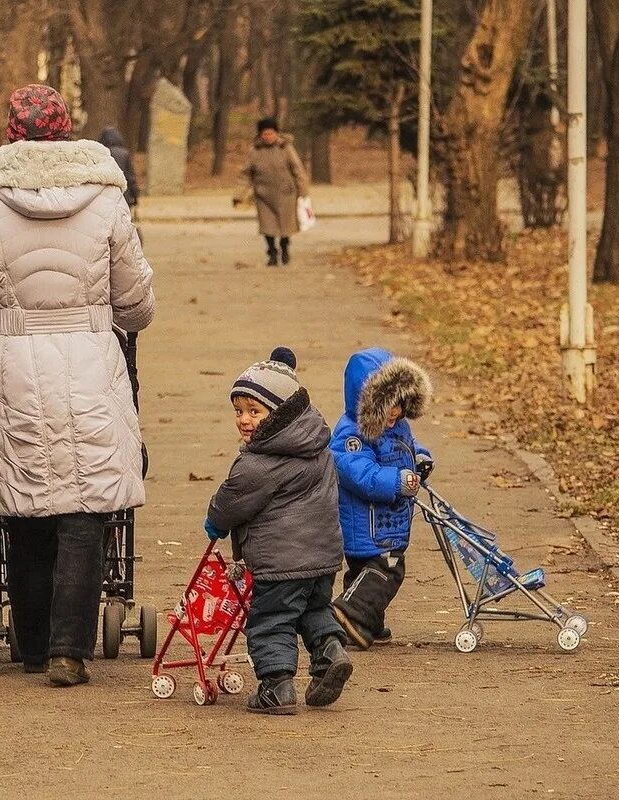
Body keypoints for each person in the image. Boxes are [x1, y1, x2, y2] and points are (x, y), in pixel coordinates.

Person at [0, 84, 155, 687]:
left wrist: (5, 324)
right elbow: (137, 303)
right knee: (85, 507)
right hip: (92, 359)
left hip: (15, 363)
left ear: (10, 135)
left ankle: (33, 645)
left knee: (28, 507)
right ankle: (70, 650)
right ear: (68, 131)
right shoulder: (107, 200)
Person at [204, 356, 352, 715]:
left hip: (280, 562)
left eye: (255, 411)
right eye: (239, 410)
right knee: (313, 608)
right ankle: (330, 651)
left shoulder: (259, 463)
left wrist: (215, 522)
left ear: (281, 413)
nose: (244, 419)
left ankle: (277, 686)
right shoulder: (318, 447)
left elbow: (231, 503)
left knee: (271, 620)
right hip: (323, 558)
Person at [329, 348, 433, 650]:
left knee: (366, 573)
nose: (396, 413)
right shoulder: (351, 433)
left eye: (400, 405)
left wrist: (421, 458)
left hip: (387, 522)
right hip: (366, 524)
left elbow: (408, 447)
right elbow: (357, 471)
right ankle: (348, 612)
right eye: (388, 406)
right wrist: (396, 481)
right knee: (388, 569)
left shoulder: (398, 426)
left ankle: (366, 622)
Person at [233, 118, 308, 267]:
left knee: (286, 226)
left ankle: (285, 248)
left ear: (276, 133)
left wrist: (303, 191)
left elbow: (297, 170)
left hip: (286, 194)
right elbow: (246, 174)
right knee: (267, 227)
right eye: (265, 134)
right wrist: (239, 194)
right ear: (260, 135)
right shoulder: (255, 151)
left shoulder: (285, 148)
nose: (268, 137)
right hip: (263, 195)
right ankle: (272, 252)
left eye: (270, 133)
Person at [99, 126, 139, 215]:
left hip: (106, 195)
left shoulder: (101, 153)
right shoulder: (125, 154)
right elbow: (130, 177)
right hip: (124, 194)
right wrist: (135, 195)